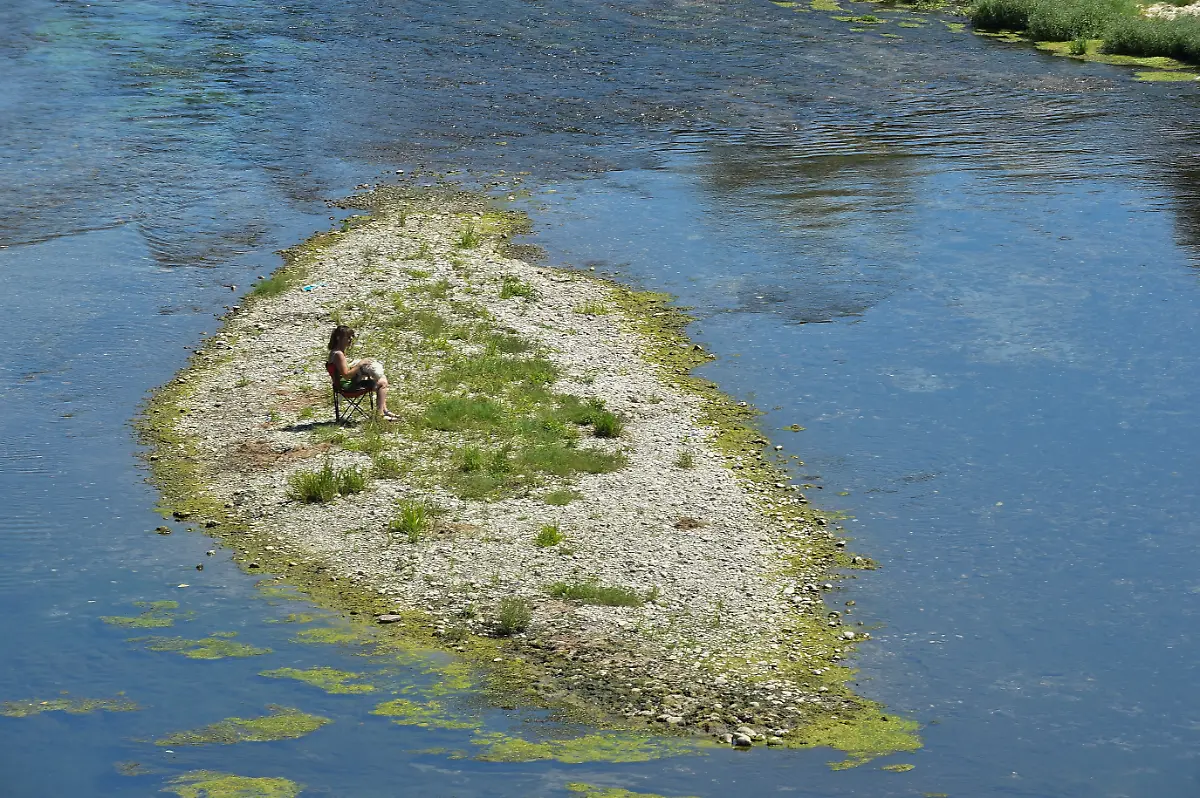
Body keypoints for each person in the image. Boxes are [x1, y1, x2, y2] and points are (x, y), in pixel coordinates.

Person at [326, 324, 397, 420]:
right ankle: (381, 414)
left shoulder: (334, 352)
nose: (350, 339)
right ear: (339, 338)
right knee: (382, 383)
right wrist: (360, 364)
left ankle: (384, 410)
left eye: (351, 337)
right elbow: (346, 375)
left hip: (341, 385)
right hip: (348, 386)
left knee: (381, 379)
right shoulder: (338, 354)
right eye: (347, 337)